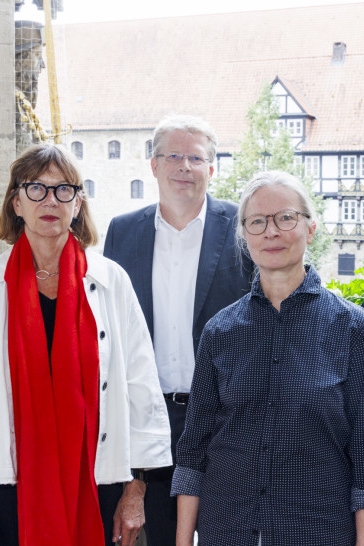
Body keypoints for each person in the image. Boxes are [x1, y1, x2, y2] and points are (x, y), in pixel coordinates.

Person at [0, 144, 171, 546]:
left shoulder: (111, 281)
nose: (51, 201)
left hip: (101, 476)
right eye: (36, 189)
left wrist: (136, 490)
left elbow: (141, 385)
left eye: (64, 190)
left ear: (78, 204)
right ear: (16, 203)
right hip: (9, 481)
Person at [172, 170, 364, 546]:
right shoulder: (219, 332)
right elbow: (193, 451)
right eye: (257, 221)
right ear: (244, 236)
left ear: (309, 229)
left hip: (317, 530)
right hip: (227, 530)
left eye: (285, 218)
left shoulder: (353, 329)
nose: (271, 231)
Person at [103, 114, 254, 544]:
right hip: (151, 417)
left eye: (196, 157)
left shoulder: (243, 227)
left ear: (212, 167)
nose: (184, 166)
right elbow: (111, 332)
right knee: (164, 535)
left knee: (229, 532)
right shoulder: (123, 231)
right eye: (173, 156)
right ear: (153, 165)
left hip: (226, 417)